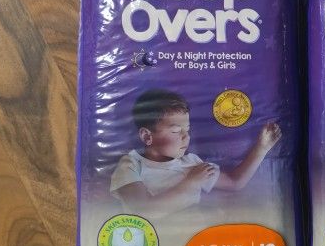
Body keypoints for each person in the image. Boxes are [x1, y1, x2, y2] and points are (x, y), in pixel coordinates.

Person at [110, 88, 280, 216]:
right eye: (176, 131)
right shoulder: (131, 164)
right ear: (147, 136)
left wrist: (262, 147)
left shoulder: (192, 163)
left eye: (188, 130)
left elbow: (235, 182)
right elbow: (144, 212)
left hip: (196, 241)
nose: (186, 137)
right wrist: (191, 183)